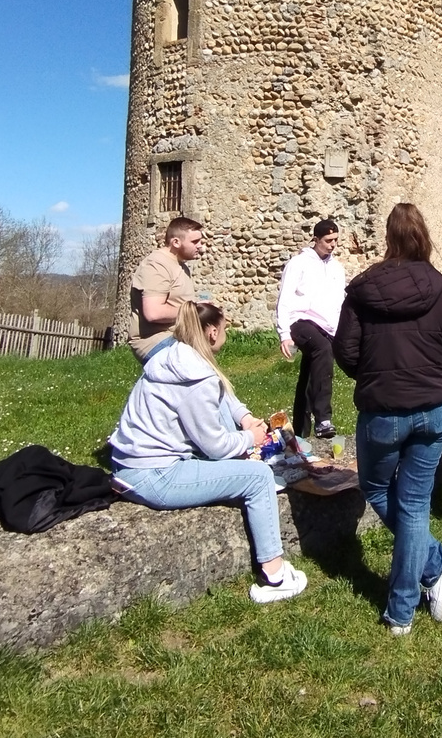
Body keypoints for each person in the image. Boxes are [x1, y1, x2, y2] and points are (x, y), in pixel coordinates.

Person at [333, 203, 442, 634]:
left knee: (375, 487)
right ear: (424, 237)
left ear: (388, 239)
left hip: (384, 410)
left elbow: (346, 352)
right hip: (435, 410)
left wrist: (375, 374)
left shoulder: (363, 291)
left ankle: (412, 595)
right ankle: (425, 576)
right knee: (413, 504)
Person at [110, 301, 306, 604]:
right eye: (225, 327)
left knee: (242, 448)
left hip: (129, 464)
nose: (226, 331)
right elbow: (215, 446)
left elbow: (222, 395)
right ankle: (274, 575)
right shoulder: (196, 379)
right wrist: (249, 438)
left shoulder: (174, 357)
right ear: (212, 332)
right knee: (257, 477)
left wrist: (243, 417)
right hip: (154, 475)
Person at [276, 219, 346, 439]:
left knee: (309, 374)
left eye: (335, 240)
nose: (332, 245)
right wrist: (284, 334)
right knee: (322, 350)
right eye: (328, 240)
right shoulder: (299, 263)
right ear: (316, 239)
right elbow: (284, 298)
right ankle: (323, 418)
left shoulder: (336, 267)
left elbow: (338, 301)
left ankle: (300, 431)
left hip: (327, 326)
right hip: (300, 321)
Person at [128, 216, 204, 364]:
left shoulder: (180, 265)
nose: (201, 246)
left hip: (176, 337)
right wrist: (195, 310)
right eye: (195, 242)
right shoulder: (157, 265)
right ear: (176, 242)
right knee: (202, 374)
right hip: (155, 341)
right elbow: (153, 313)